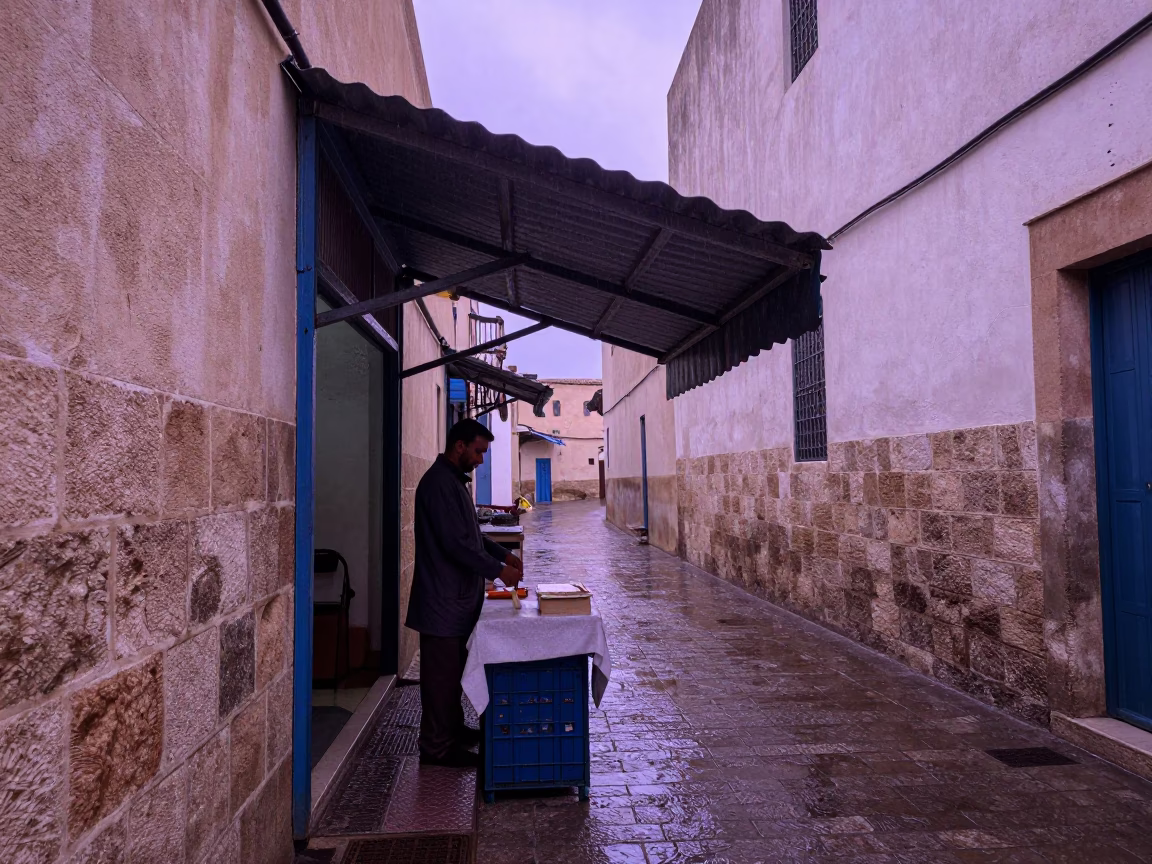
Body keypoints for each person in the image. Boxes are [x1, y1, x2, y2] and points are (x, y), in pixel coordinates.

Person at [405, 418, 523, 767]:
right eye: (478, 451)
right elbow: (456, 545)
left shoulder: (453, 482)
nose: (481, 460)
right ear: (459, 446)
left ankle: (453, 731)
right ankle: (438, 748)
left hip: (455, 602)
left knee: (452, 676)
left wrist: (503, 554)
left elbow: (472, 534)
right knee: (440, 681)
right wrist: (499, 572)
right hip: (441, 602)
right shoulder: (439, 484)